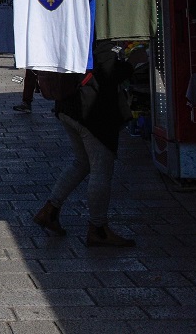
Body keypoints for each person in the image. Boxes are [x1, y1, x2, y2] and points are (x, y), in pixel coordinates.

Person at [33, 42, 136, 248]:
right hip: (90, 111)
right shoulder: (99, 40)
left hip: (67, 107)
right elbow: (109, 73)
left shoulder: (73, 32)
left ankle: (50, 210)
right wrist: (132, 63)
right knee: (101, 168)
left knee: (82, 163)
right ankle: (98, 229)